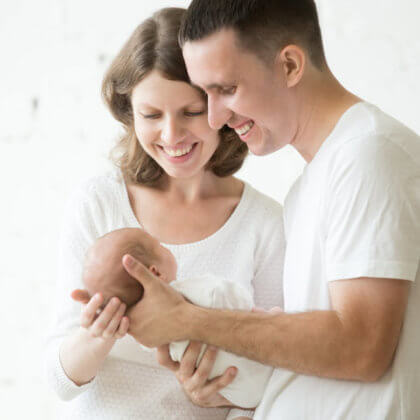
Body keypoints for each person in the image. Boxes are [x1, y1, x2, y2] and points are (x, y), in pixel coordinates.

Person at [121, 1, 420, 419]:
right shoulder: (309, 187)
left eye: (226, 89)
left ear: (291, 65)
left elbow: (362, 347)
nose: (215, 116)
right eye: (205, 94)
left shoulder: (369, 155)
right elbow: (321, 361)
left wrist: (188, 320)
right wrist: (227, 385)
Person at [44, 7, 285, 420]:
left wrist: (218, 398)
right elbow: (59, 379)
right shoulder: (99, 203)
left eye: (191, 112)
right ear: (129, 113)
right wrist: (96, 338)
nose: (172, 136)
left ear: (222, 109)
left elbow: (276, 378)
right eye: (151, 115)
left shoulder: (263, 225)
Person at [79, 227, 274, 408]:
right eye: (160, 246)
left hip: (241, 395)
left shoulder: (147, 335)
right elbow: (224, 294)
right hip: (266, 367)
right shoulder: (189, 292)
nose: (165, 246)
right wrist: (254, 311)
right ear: (156, 272)